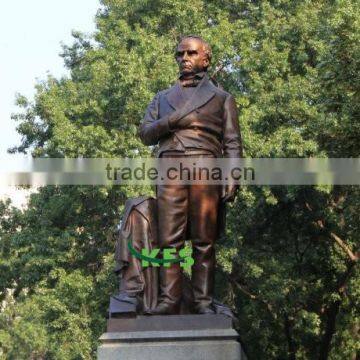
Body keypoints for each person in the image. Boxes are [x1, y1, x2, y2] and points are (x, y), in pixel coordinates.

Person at [138, 35, 243, 315]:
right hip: (170, 166)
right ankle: (170, 300)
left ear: (205, 58)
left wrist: (232, 175)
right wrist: (172, 121)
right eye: (180, 54)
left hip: (205, 166)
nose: (184, 58)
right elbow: (145, 133)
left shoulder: (222, 98)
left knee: (203, 240)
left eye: (191, 53)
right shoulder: (161, 98)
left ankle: (203, 302)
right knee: (168, 238)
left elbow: (232, 142)